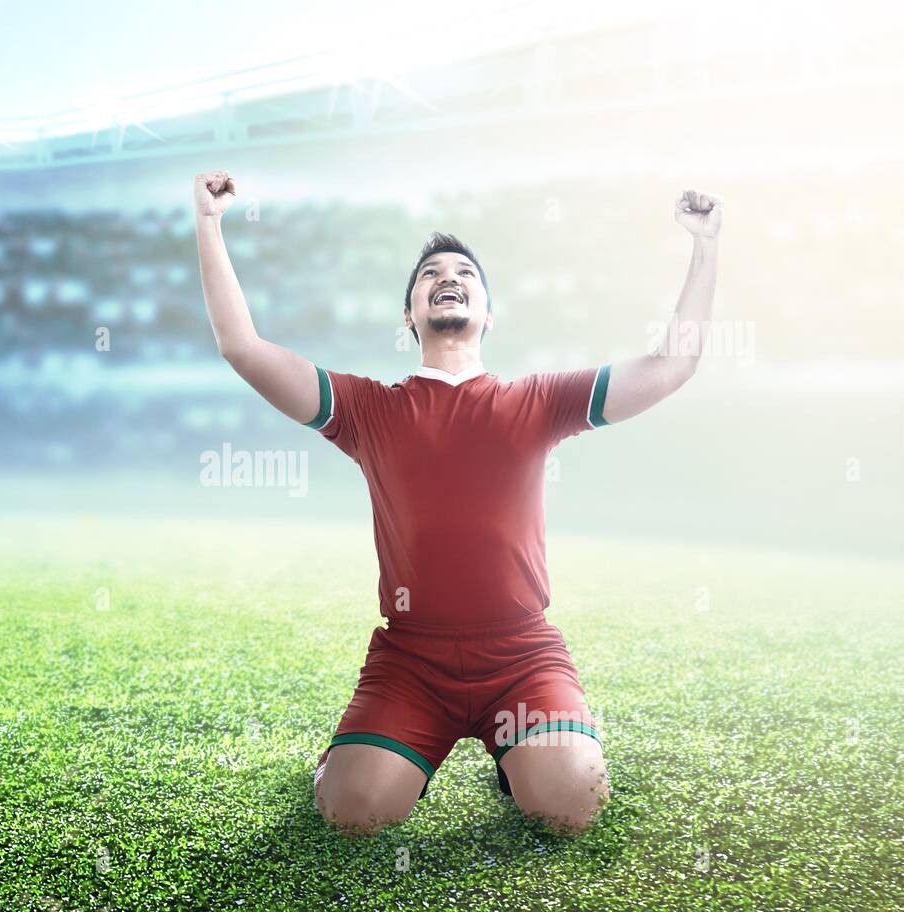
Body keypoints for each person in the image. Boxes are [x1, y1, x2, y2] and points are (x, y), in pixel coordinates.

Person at [194, 170, 721, 837]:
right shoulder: (368, 408)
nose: (449, 275)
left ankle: (520, 761)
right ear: (410, 314)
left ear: (488, 312)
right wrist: (208, 224)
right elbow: (241, 346)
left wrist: (705, 246)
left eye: (466, 271)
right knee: (351, 813)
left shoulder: (536, 399)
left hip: (521, 655)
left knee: (572, 803)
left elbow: (672, 365)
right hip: (411, 661)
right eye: (430, 273)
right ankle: (388, 761)